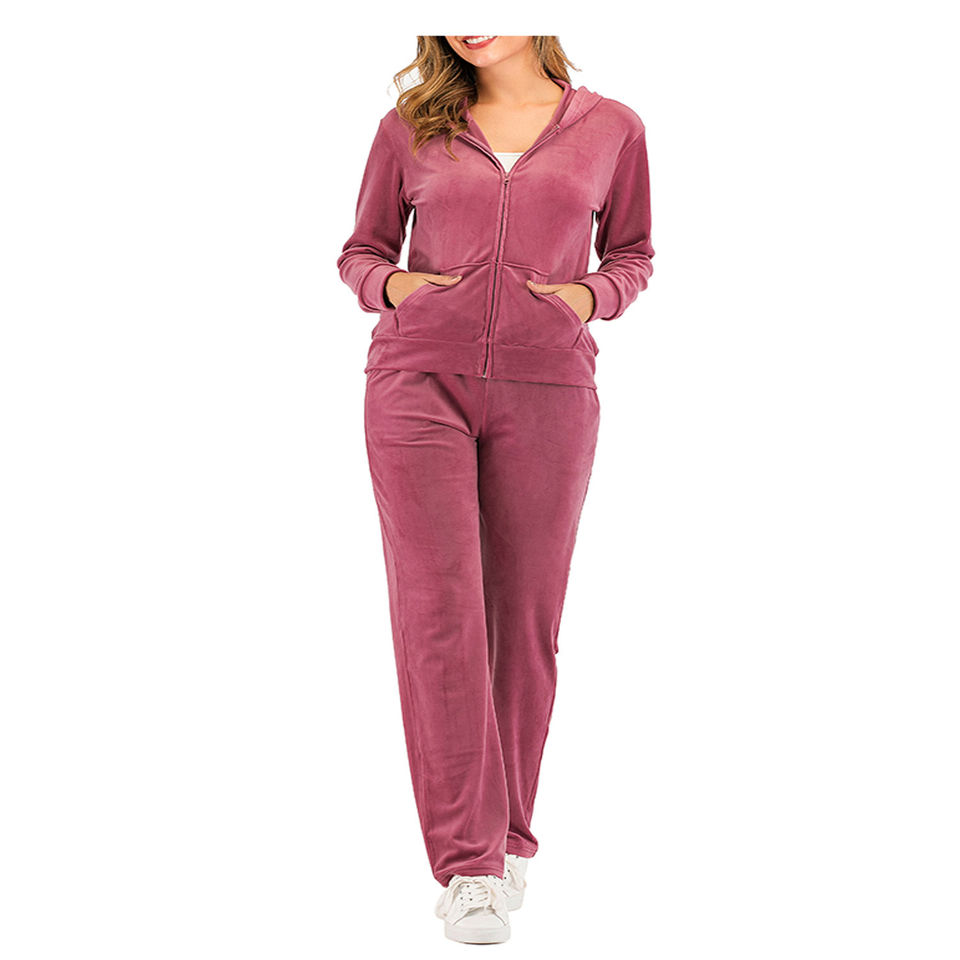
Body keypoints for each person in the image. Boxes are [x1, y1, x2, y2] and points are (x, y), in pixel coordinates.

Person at [336, 35, 654, 944]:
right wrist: (397, 287)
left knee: (524, 622)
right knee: (440, 614)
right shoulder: (409, 126)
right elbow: (361, 251)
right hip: (416, 384)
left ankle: (508, 837)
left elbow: (633, 252)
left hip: (549, 391)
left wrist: (589, 300)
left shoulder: (614, 128)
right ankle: (469, 866)